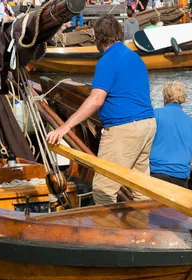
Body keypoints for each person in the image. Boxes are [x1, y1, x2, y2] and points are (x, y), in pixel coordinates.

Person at [46, 16, 155, 205]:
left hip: (124, 129)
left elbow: (96, 100)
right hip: (147, 125)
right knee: (140, 187)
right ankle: (143, 231)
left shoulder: (108, 60)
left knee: (103, 189)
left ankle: (109, 233)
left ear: (98, 39)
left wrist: (65, 127)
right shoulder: (135, 57)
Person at [149, 81, 192, 194]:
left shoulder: (156, 114)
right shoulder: (190, 122)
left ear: (165, 97)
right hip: (180, 177)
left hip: (157, 173)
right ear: (183, 100)